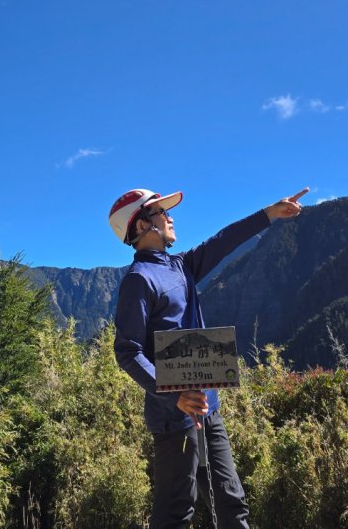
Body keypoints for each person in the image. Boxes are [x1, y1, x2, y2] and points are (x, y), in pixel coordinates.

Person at [109, 186, 308, 529]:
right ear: (141, 226)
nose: (170, 217)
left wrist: (269, 213)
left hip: (207, 406)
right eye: (161, 212)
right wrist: (174, 394)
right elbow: (127, 351)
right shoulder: (139, 280)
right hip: (174, 417)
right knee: (177, 511)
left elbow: (223, 240)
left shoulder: (180, 265)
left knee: (230, 501)